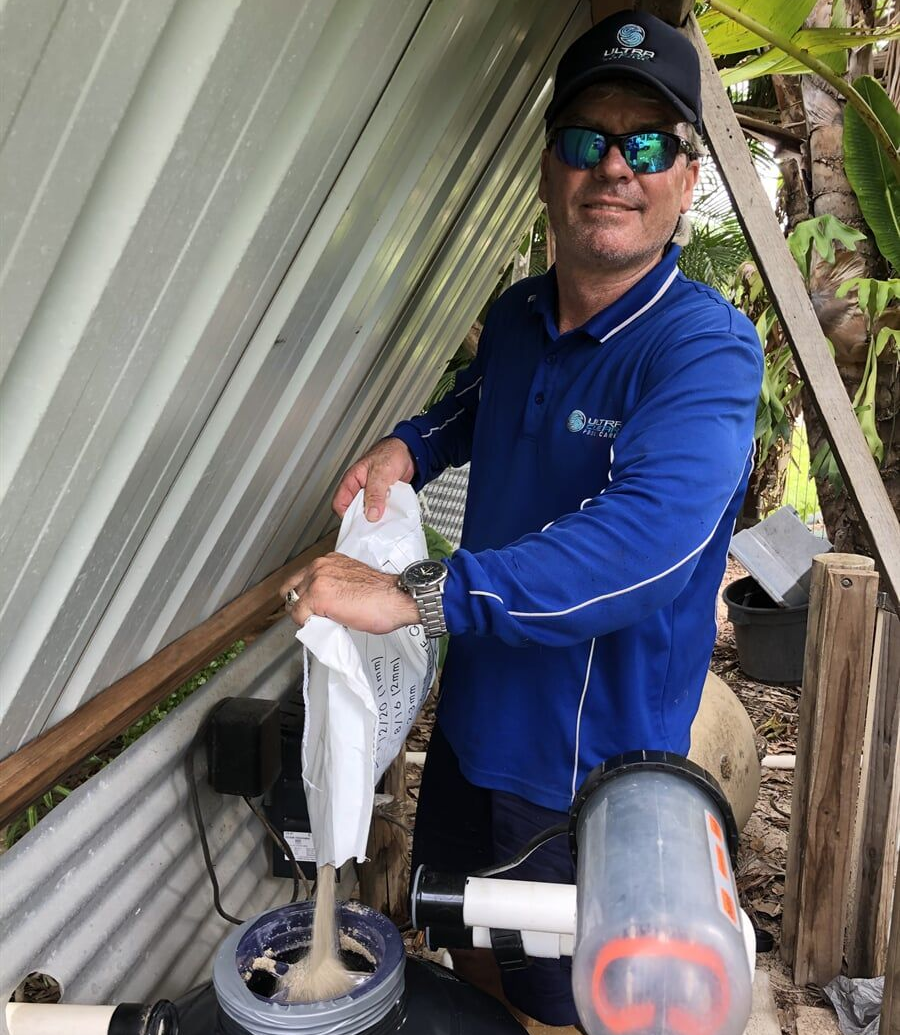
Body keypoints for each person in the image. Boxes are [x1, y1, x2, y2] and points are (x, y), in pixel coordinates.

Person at [281, 10, 762, 1028]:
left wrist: (417, 594)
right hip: (469, 727)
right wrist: (410, 443)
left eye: (649, 145)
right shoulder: (517, 314)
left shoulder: (703, 352)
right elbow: (479, 399)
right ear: (550, 166)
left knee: (574, 993)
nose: (614, 169)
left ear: (686, 179)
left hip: (586, 768)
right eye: (588, 141)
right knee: (469, 940)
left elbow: (642, 552)